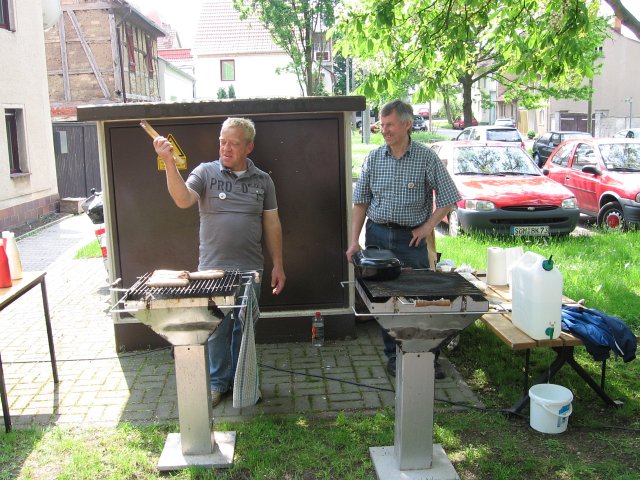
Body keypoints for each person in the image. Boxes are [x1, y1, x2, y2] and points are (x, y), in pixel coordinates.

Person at [153, 117, 286, 407]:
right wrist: (169, 162)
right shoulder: (205, 173)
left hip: (251, 270)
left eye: (233, 143)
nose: (225, 148)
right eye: (222, 141)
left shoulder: (263, 180)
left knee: (244, 329)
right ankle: (217, 383)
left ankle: (244, 382)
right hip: (212, 271)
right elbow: (182, 199)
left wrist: (278, 264)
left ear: (248, 147)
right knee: (216, 329)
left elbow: (272, 224)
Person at [346, 99, 460, 379]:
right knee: (387, 301)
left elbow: (449, 198)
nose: (384, 130)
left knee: (420, 298)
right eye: (382, 125)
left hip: (411, 241)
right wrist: (353, 242)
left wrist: (427, 227)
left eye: (390, 125)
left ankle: (428, 356)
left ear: (408, 125)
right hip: (378, 236)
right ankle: (394, 357)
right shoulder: (374, 158)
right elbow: (360, 203)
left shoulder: (426, 158)